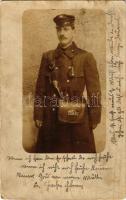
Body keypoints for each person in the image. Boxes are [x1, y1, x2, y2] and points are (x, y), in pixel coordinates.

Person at [34, 14, 101, 153]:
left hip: (76, 118)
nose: (62, 33)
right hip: (51, 119)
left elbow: (94, 91)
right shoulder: (48, 57)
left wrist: (94, 117)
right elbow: (40, 89)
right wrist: (39, 115)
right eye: (59, 29)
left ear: (73, 30)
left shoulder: (85, 57)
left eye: (66, 29)